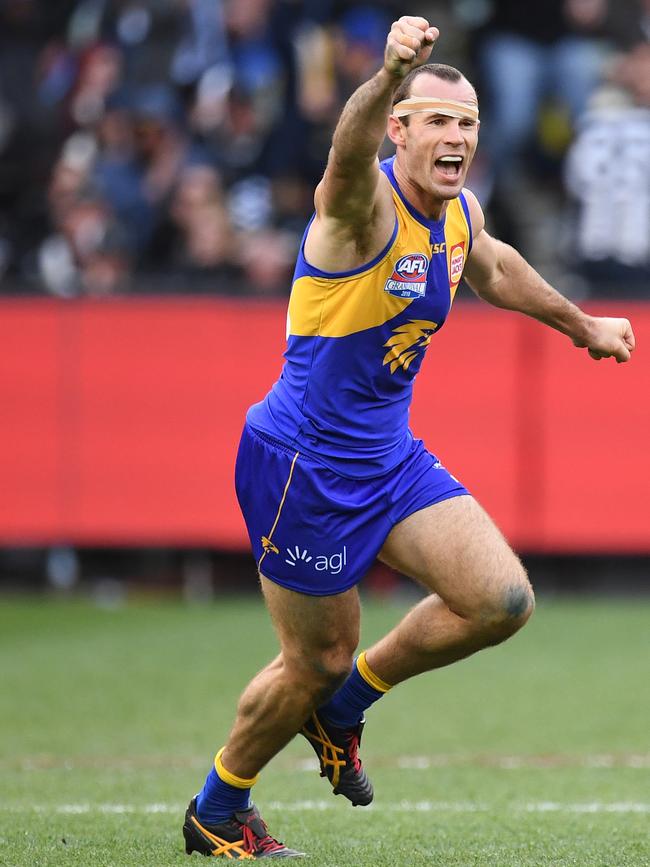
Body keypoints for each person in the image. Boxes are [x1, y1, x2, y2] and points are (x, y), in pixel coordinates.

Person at [182, 16, 636, 859]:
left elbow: (493, 266)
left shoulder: (458, 211)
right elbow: (345, 155)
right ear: (400, 128)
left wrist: (581, 325)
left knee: (500, 600)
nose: (455, 136)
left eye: (466, 124)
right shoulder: (359, 207)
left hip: (387, 457)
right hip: (303, 466)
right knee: (311, 659)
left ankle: (345, 709)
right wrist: (389, 73)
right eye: (435, 120)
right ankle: (218, 808)